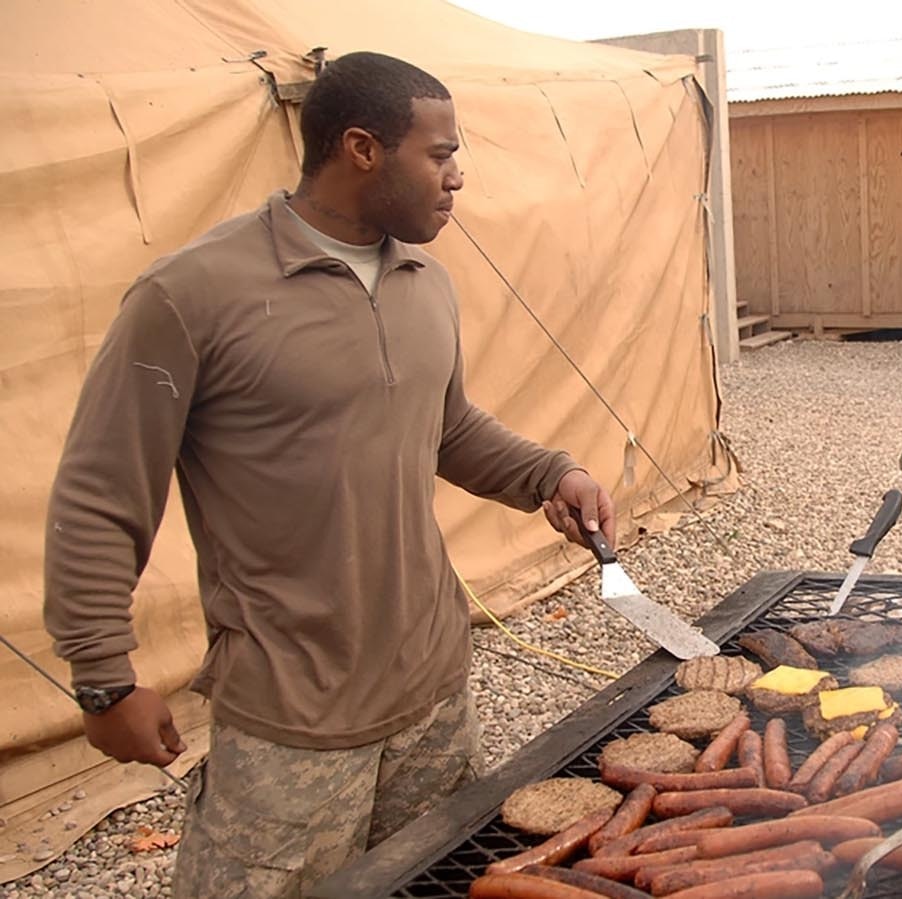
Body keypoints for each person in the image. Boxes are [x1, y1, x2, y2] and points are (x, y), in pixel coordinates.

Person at [42, 52, 615, 899]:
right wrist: (102, 676)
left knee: (434, 884)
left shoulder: (427, 280)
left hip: (433, 695)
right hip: (292, 718)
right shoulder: (193, 294)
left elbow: (445, 425)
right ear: (361, 148)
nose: (458, 177)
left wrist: (548, 474)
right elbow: (101, 492)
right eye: (441, 153)